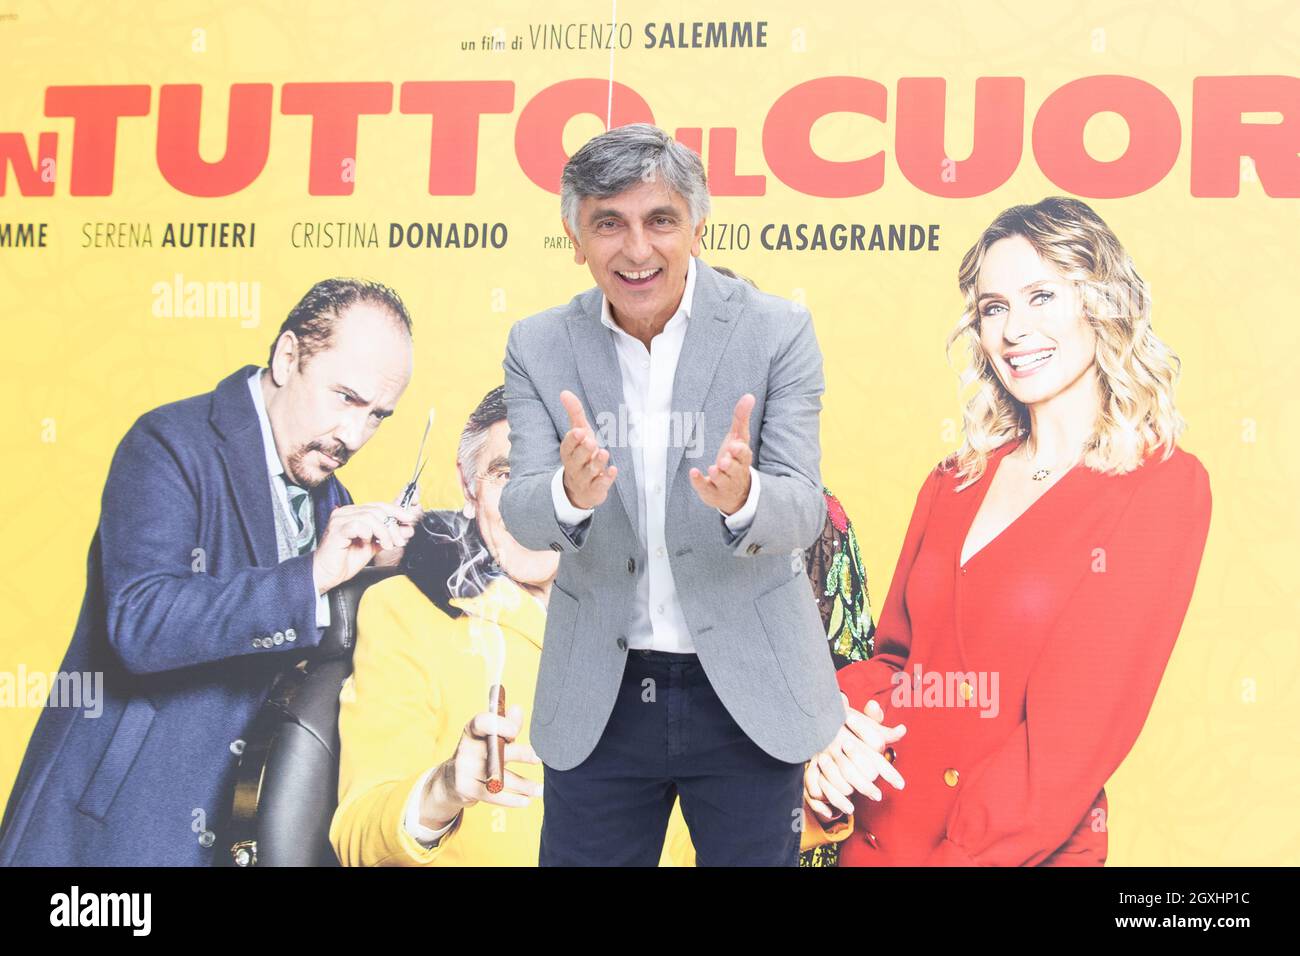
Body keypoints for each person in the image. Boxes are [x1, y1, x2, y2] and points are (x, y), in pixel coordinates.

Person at [802, 196, 1212, 865]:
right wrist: (823, 726)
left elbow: (1067, 747)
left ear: (1100, 303)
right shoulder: (954, 479)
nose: (1015, 329)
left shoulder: (1159, 486)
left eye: (1041, 296)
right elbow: (899, 667)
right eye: (995, 308)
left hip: (1001, 856)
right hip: (877, 841)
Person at [499, 123, 842, 866]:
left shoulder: (777, 331)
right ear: (574, 235)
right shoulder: (538, 344)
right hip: (600, 694)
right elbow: (523, 513)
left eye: (661, 220)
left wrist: (746, 498)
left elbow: (803, 510)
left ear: (697, 224)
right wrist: (569, 492)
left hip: (747, 693)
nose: (637, 249)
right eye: (608, 224)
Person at [0, 278, 421, 865]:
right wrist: (311, 577)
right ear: (287, 356)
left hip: (236, 836)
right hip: (112, 834)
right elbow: (141, 625)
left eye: (377, 415)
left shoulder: (334, 497)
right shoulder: (170, 442)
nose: (354, 435)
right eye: (346, 398)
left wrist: (374, 580)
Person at [331, 386, 700, 866]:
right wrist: (443, 791)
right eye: (506, 473)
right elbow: (357, 838)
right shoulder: (404, 611)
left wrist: (820, 787)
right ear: (469, 487)